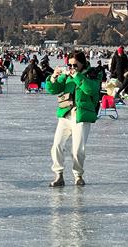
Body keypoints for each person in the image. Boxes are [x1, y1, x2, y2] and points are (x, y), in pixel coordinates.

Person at [45, 51, 102, 187]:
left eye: (75, 65)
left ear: (82, 63)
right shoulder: (67, 75)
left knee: (77, 150)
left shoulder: (93, 74)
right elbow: (53, 90)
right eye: (69, 64)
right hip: (65, 114)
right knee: (57, 145)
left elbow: (91, 90)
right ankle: (58, 175)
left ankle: (78, 175)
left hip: (81, 116)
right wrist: (54, 77)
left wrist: (76, 75)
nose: (72, 67)